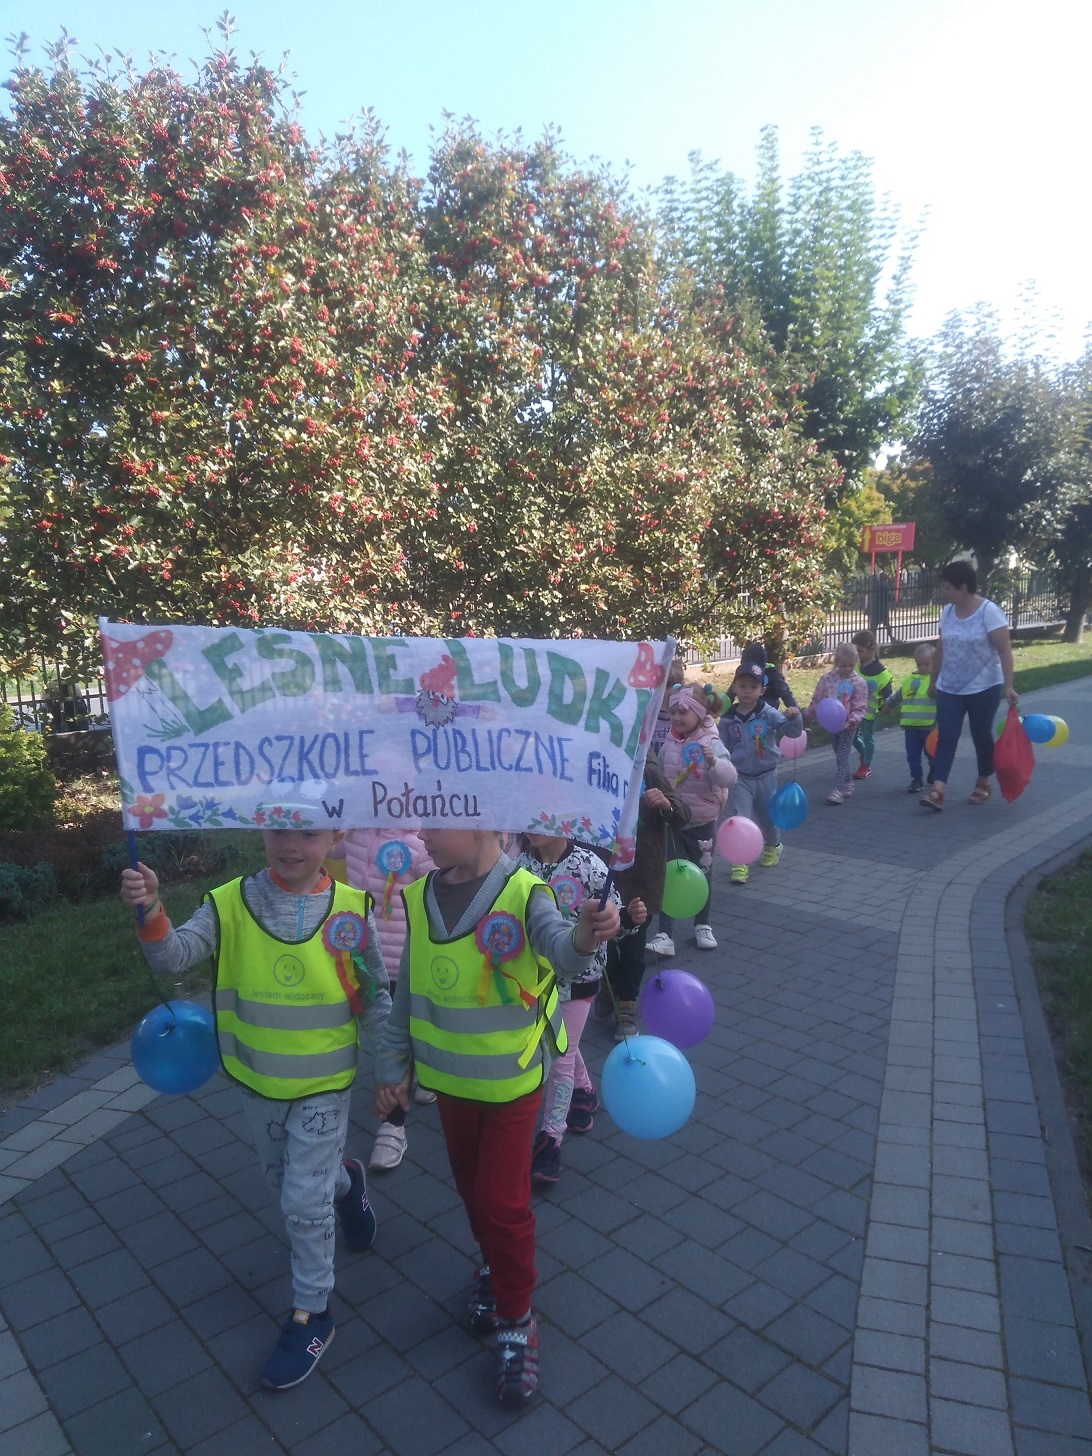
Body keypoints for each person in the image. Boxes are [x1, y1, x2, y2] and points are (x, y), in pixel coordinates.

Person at [120, 819, 391, 1391]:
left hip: (324, 1084)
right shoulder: (229, 902)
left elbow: (372, 994)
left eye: (309, 834)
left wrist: (393, 1068)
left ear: (336, 837)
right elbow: (171, 958)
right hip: (257, 1081)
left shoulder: (351, 908)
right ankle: (346, 1184)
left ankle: (313, 1312)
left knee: (301, 1203)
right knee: (284, 1182)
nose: (291, 845)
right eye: (278, 831)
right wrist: (151, 908)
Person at [374, 827, 619, 1407]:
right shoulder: (420, 894)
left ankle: (517, 1318)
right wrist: (391, 1066)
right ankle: (492, 1265)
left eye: (437, 820)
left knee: (502, 1204)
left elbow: (560, 950)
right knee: (471, 1190)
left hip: (511, 1083)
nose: (423, 833)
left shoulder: (525, 891)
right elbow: (407, 991)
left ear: (481, 818)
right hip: (451, 1083)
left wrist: (585, 934)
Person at [516, 833, 628, 1183]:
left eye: (542, 818)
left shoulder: (591, 865)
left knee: (559, 1058)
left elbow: (617, 918)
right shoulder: (519, 865)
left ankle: (551, 1138)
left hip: (580, 978)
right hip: (536, 978)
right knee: (560, 1039)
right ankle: (584, 1090)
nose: (532, 827)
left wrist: (622, 920)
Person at [325, 829, 437, 1170]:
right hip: (362, 957)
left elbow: (440, 891)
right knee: (392, 1038)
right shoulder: (356, 829)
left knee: (400, 1037)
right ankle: (416, 1079)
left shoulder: (421, 840)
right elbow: (331, 846)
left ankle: (393, 1126)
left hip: (405, 961)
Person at [597, 763, 689, 1040]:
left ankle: (627, 1004)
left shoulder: (647, 769)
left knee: (634, 949)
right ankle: (609, 985)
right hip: (602, 876)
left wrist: (666, 804)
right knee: (604, 944)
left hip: (641, 879)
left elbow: (682, 814)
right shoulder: (595, 763)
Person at [920, 560, 1019, 811]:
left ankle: (984, 780)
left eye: (948, 588)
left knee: (981, 734)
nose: (945, 593)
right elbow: (941, 647)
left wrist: (1009, 686)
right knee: (946, 736)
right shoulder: (948, 612)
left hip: (983, 686)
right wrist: (934, 680)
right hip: (949, 686)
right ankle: (938, 790)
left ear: (963, 587)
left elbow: (1004, 651)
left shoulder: (989, 611)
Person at [646, 682, 737, 954]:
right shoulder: (669, 744)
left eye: (683, 712)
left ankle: (703, 925)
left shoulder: (711, 742)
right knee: (670, 874)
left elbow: (729, 778)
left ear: (699, 713)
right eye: (673, 712)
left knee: (703, 873)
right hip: (673, 821)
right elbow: (661, 776)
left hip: (702, 822)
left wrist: (714, 763)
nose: (676, 718)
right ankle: (665, 934)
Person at [718, 662, 803, 882]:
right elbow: (721, 747)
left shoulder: (767, 713)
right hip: (739, 778)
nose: (747, 691)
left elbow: (792, 732)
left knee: (767, 818)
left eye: (753, 687)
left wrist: (794, 717)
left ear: (762, 690)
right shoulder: (728, 718)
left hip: (766, 775)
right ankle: (739, 861)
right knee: (740, 819)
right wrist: (717, 766)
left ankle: (773, 844)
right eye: (742, 686)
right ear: (734, 687)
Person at [803, 644, 868, 805]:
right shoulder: (827, 679)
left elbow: (860, 705)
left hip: (848, 726)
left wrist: (852, 720)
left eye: (851, 665)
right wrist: (807, 715)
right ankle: (848, 783)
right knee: (838, 754)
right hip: (831, 724)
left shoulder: (859, 682)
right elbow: (818, 699)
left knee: (841, 756)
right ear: (836, 662)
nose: (847, 669)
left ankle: (838, 790)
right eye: (843, 665)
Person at [882, 643, 937, 793]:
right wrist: (889, 705)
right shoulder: (909, 679)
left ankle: (935, 771)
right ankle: (916, 780)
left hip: (930, 727)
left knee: (932, 754)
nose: (923, 667)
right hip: (910, 727)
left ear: (936, 662)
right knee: (913, 755)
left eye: (927, 664)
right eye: (919, 664)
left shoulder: (936, 680)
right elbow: (899, 695)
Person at [850, 629, 893, 780]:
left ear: (871, 649)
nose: (857, 654)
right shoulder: (856, 667)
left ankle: (866, 765)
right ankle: (864, 755)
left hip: (870, 712)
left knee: (868, 737)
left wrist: (888, 705)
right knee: (852, 737)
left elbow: (888, 694)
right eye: (855, 651)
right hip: (854, 710)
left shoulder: (882, 674)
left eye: (860, 651)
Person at [727, 642, 798, 712]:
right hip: (746, 710)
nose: (747, 690)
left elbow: (785, 692)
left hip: (767, 712)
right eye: (743, 686)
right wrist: (722, 706)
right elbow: (730, 695)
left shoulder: (773, 674)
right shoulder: (743, 673)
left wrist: (793, 708)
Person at [867, 570, 894, 641]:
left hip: (875, 608)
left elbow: (871, 596)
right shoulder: (886, 587)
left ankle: (872, 640)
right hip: (883, 608)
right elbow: (889, 597)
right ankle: (891, 637)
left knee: (874, 626)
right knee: (887, 624)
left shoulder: (875, 586)